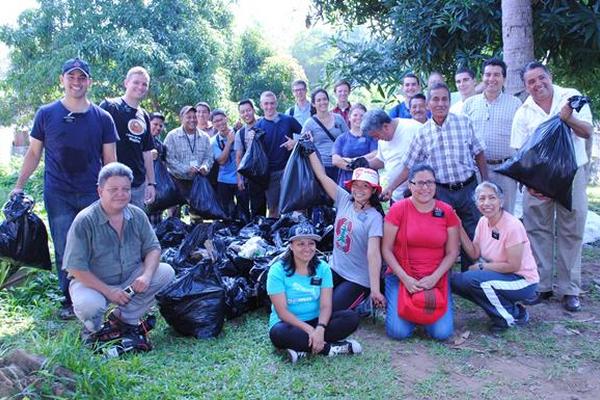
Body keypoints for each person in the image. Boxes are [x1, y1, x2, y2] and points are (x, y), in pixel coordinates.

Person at [11, 57, 118, 319]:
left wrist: (114, 193)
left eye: (82, 77)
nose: (76, 82)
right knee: (65, 246)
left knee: (96, 244)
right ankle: (70, 299)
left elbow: (110, 161)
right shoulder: (46, 114)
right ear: (62, 80)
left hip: (93, 192)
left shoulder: (103, 118)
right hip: (58, 192)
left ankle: (98, 293)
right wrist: (18, 186)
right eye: (71, 77)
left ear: (89, 82)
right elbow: (34, 153)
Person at [63, 162, 175, 350]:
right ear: (100, 191)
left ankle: (125, 319)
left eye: (125, 189)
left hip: (129, 278)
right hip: (94, 283)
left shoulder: (137, 215)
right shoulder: (85, 220)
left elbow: (153, 248)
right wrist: (108, 291)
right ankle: (94, 329)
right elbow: (74, 267)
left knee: (165, 272)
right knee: (89, 306)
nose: (121, 194)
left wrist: (146, 276)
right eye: (113, 189)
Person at [511, 61, 593, 312]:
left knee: (571, 229)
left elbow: (588, 131)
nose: (537, 84)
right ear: (526, 87)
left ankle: (570, 289)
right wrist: (529, 183)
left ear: (550, 76)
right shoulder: (523, 112)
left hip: (572, 175)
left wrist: (567, 119)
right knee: (538, 230)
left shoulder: (571, 97)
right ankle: (542, 286)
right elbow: (518, 152)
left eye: (540, 78)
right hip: (539, 180)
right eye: (531, 82)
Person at [382, 83, 488, 270]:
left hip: (468, 188)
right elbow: (408, 166)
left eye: (444, 99)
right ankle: (441, 274)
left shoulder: (464, 122)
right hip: (441, 191)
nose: (440, 103)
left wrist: (485, 182)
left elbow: (479, 153)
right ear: (428, 104)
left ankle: (468, 275)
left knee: (472, 231)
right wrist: (390, 187)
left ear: (449, 101)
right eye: (435, 99)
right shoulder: (422, 133)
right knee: (442, 233)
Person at [381, 164, 459, 340]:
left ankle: (420, 312)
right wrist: (406, 279)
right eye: (420, 183)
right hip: (402, 276)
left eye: (430, 182)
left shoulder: (446, 211)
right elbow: (386, 249)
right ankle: (411, 312)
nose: (425, 188)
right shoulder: (398, 209)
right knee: (398, 333)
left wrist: (435, 277)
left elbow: (453, 252)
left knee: (442, 334)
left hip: (435, 277)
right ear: (410, 186)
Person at [267, 222, 362, 364]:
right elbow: (282, 312)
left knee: (351, 318)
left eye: (311, 243)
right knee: (278, 334)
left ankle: (301, 349)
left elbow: (325, 305)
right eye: (301, 244)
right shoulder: (277, 271)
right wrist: (310, 331)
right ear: (291, 246)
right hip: (288, 323)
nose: (307, 248)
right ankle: (332, 348)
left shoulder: (323, 268)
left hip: (316, 320)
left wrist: (320, 328)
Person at [451, 181, 539, 333]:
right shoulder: (483, 222)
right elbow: (474, 253)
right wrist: (458, 226)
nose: (486, 203)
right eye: (481, 198)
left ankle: (509, 318)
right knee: (455, 281)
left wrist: (482, 266)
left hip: (522, 280)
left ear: (501, 201)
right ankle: (511, 309)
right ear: (476, 203)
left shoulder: (512, 225)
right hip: (500, 276)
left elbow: (514, 266)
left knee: (475, 279)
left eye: (492, 198)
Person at [306, 147, 384, 311]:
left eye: (365, 186)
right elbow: (322, 176)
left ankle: (364, 301)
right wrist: (310, 150)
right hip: (335, 269)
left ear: (373, 190)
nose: (359, 190)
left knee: (330, 310)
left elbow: (374, 254)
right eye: (356, 185)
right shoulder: (344, 200)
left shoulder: (374, 217)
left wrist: (375, 289)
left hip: (357, 279)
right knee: (310, 300)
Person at [463, 58, 522, 214]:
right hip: (477, 170)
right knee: (478, 212)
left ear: (504, 78)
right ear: (482, 77)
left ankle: (506, 239)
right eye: (488, 74)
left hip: (506, 169)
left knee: (506, 212)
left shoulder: (515, 104)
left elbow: (522, 139)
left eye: (496, 75)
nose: (491, 79)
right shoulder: (470, 104)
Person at [100, 66, 156, 208]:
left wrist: (151, 183)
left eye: (144, 84)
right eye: (136, 82)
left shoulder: (144, 115)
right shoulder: (110, 106)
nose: (140, 87)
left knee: (135, 228)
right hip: (112, 182)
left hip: (137, 184)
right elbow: (94, 142)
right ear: (126, 83)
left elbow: (147, 151)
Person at [253, 91, 302, 218]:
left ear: (276, 104)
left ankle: (295, 235)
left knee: (295, 206)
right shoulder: (258, 126)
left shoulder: (288, 120)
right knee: (273, 209)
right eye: (266, 104)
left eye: (272, 103)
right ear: (261, 105)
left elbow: (307, 135)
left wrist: (295, 142)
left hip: (290, 169)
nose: (269, 107)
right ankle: (274, 235)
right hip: (271, 173)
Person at [361, 109, 421, 203]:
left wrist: (391, 188)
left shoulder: (413, 129)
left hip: (418, 195)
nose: (377, 140)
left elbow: (411, 167)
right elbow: (382, 160)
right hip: (396, 196)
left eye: (376, 136)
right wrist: (365, 163)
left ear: (385, 126)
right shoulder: (383, 139)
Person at [163, 105, 213, 220]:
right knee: (174, 217)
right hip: (176, 180)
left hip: (196, 182)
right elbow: (169, 159)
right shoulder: (172, 136)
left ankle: (196, 236)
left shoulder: (204, 137)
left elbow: (209, 157)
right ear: (181, 118)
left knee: (197, 216)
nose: (192, 120)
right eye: (188, 117)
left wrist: (205, 166)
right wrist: (186, 169)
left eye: (194, 117)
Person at [301, 88, 350, 181]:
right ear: (313, 104)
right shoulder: (309, 123)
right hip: (321, 167)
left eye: (324, 99)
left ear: (328, 101)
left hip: (340, 164)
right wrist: (309, 142)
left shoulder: (338, 118)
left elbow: (348, 139)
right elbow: (303, 144)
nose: (322, 102)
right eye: (318, 100)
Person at [332, 103, 378, 186]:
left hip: (368, 183)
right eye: (355, 115)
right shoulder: (341, 138)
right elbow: (335, 160)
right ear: (349, 118)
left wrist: (355, 160)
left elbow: (375, 154)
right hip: (346, 182)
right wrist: (352, 166)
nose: (358, 118)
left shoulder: (372, 136)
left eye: (362, 115)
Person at [234, 99, 266, 219]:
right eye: (242, 112)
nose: (246, 114)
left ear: (253, 110)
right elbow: (238, 156)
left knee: (274, 207)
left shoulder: (264, 123)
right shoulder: (240, 133)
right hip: (253, 175)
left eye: (248, 110)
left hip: (269, 171)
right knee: (256, 208)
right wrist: (239, 178)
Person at [210, 109, 240, 219]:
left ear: (226, 119)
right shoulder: (213, 141)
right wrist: (229, 142)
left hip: (240, 178)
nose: (219, 123)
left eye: (221, 119)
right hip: (223, 180)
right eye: (216, 121)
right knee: (227, 213)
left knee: (243, 211)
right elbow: (221, 161)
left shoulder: (238, 132)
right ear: (213, 124)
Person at [148, 112, 167, 225]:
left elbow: (164, 166)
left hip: (157, 186)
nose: (158, 127)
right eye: (155, 124)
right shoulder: (138, 140)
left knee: (156, 218)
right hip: (140, 185)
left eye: (160, 125)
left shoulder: (161, 145)